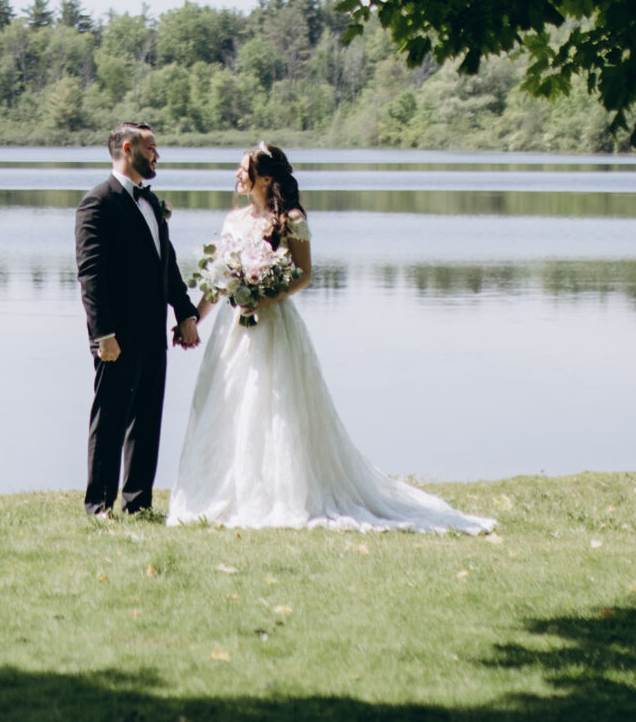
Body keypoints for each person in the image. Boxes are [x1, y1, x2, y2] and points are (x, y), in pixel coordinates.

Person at [168, 142, 494, 533]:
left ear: (265, 178)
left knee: (275, 408)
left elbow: (303, 275)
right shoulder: (233, 220)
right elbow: (220, 281)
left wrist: (261, 297)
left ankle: (284, 493)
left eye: (244, 168)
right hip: (233, 329)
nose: (237, 174)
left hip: (273, 325)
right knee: (232, 407)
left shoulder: (290, 219)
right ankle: (231, 492)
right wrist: (194, 318)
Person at [75, 121, 200, 518]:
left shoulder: (152, 203)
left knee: (147, 419)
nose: (157, 155)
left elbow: (167, 264)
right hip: (116, 335)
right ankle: (99, 504)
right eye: (151, 148)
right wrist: (103, 334)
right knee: (110, 419)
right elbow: (90, 275)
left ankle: (138, 502)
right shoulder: (98, 203)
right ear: (127, 149)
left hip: (152, 332)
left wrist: (185, 313)